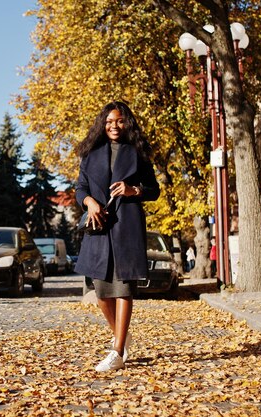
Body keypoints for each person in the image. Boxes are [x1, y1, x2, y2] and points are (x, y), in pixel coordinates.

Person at [74, 101, 160, 372]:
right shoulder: (91, 153)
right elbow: (80, 188)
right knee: (101, 292)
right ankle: (121, 335)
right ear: (103, 123)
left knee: (123, 289)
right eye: (110, 121)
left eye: (120, 121)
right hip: (98, 227)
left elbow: (154, 190)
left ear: (127, 123)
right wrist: (89, 202)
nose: (114, 126)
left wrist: (133, 190)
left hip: (127, 226)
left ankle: (118, 351)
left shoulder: (138, 153)